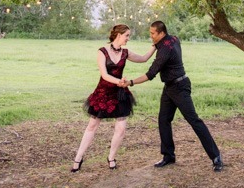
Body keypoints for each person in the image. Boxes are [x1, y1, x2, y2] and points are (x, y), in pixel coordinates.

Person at [120, 20, 223, 172]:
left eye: (153, 34)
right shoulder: (173, 38)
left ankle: (216, 157)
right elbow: (163, 44)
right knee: (163, 120)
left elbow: (150, 74)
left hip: (180, 87)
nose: (151, 36)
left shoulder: (165, 50)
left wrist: (130, 82)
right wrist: (156, 44)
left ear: (161, 33)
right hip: (169, 87)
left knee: (194, 120)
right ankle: (168, 156)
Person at [71, 24, 156, 172]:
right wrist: (120, 82)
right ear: (118, 35)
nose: (128, 38)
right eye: (127, 35)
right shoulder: (102, 52)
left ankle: (111, 157)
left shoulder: (125, 53)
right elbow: (104, 75)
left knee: (121, 128)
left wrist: (155, 46)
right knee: (92, 126)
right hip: (103, 92)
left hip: (120, 93)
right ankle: (78, 157)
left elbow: (143, 59)